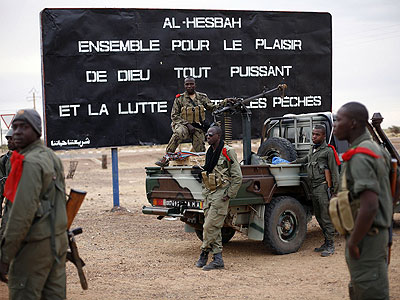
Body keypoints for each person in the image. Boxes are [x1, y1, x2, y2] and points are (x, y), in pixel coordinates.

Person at [0, 109, 69, 300]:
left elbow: (20, 214)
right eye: (15, 127)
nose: (17, 132)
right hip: (56, 243)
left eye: (24, 127)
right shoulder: (51, 156)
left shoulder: (28, 162)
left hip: (33, 248)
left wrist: (4, 256)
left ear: (37, 131)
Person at [333, 102, 392, 299]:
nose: (335, 125)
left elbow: (369, 205)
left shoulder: (360, 156)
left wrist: (354, 242)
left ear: (353, 123)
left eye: (338, 120)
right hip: (376, 235)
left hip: (367, 238)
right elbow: (396, 181)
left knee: (368, 292)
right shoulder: (376, 149)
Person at [196, 126, 242, 270]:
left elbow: (237, 176)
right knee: (214, 227)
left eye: (210, 135)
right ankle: (218, 259)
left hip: (221, 195)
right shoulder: (210, 152)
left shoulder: (227, 152)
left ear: (218, 136)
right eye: (207, 135)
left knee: (209, 226)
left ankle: (203, 252)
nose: (207, 137)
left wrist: (229, 194)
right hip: (209, 194)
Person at [292, 124, 340, 256]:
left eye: (317, 134)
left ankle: (330, 245)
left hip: (323, 188)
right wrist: (289, 163)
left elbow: (335, 172)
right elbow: (305, 160)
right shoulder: (312, 149)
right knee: (318, 216)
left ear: (324, 136)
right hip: (313, 187)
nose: (314, 136)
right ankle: (326, 242)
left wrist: (335, 192)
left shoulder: (328, 151)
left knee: (325, 217)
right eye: (313, 134)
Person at [156, 77, 223, 167]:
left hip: (197, 127)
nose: (189, 86)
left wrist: (225, 102)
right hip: (183, 125)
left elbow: (213, 108)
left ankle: (203, 166)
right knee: (179, 133)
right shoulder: (180, 99)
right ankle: (167, 157)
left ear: (195, 85)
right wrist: (187, 124)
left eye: (191, 84)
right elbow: (174, 115)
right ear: (184, 85)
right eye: (187, 84)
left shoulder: (202, 97)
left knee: (200, 150)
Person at [0, 129, 16, 239]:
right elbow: (0, 184)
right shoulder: (4, 160)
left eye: (12, 139)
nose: (9, 141)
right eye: (8, 139)